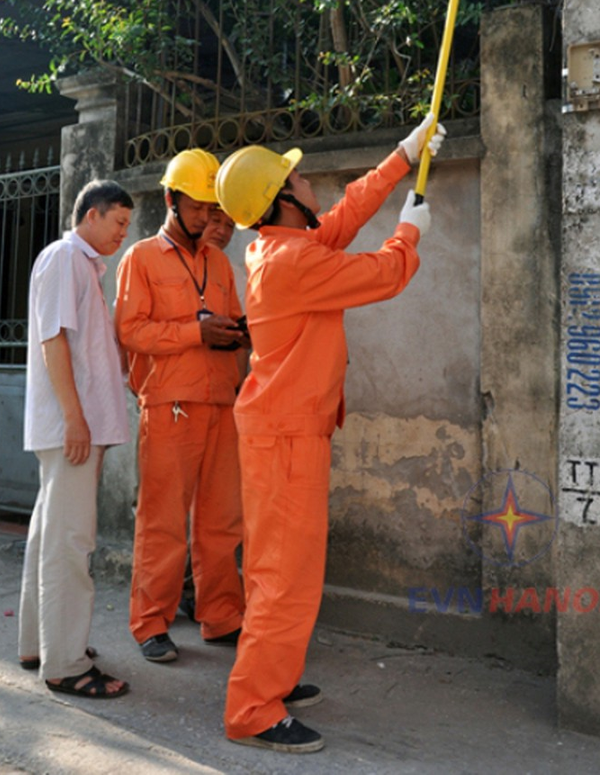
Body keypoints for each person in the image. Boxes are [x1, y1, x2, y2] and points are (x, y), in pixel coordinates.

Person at [214, 114, 445, 753]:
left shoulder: (285, 248)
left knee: (282, 571)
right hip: (286, 436)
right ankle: (253, 708)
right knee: (283, 576)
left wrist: (403, 156)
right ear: (284, 200)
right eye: (299, 177)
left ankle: (272, 681)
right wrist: (410, 231)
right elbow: (385, 274)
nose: (311, 183)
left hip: (286, 431)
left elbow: (343, 216)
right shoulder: (290, 262)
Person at [115, 148, 247, 664]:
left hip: (221, 401)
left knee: (222, 521)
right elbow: (131, 331)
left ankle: (221, 618)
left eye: (212, 209)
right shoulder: (141, 258)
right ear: (171, 200)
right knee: (163, 521)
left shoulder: (218, 261)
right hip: (169, 404)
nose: (207, 217)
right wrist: (196, 332)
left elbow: (232, 319)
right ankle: (151, 623)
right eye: (197, 207)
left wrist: (239, 334)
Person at [18, 179, 134, 699]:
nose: (123, 235)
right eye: (118, 223)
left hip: (76, 424)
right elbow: (53, 337)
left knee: (51, 535)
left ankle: (38, 643)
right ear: (90, 214)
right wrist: (75, 417)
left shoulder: (81, 264)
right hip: (73, 427)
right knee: (71, 542)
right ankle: (64, 663)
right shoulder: (66, 257)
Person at [179, 203, 247, 623]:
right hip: (177, 404)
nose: (221, 229)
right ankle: (167, 598)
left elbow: (237, 334)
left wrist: (238, 392)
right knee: (171, 511)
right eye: (214, 220)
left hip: (223, 401)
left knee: (218, 512)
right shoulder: (162, 263)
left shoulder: (223, 270)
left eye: (228, 222)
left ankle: (206, 600)